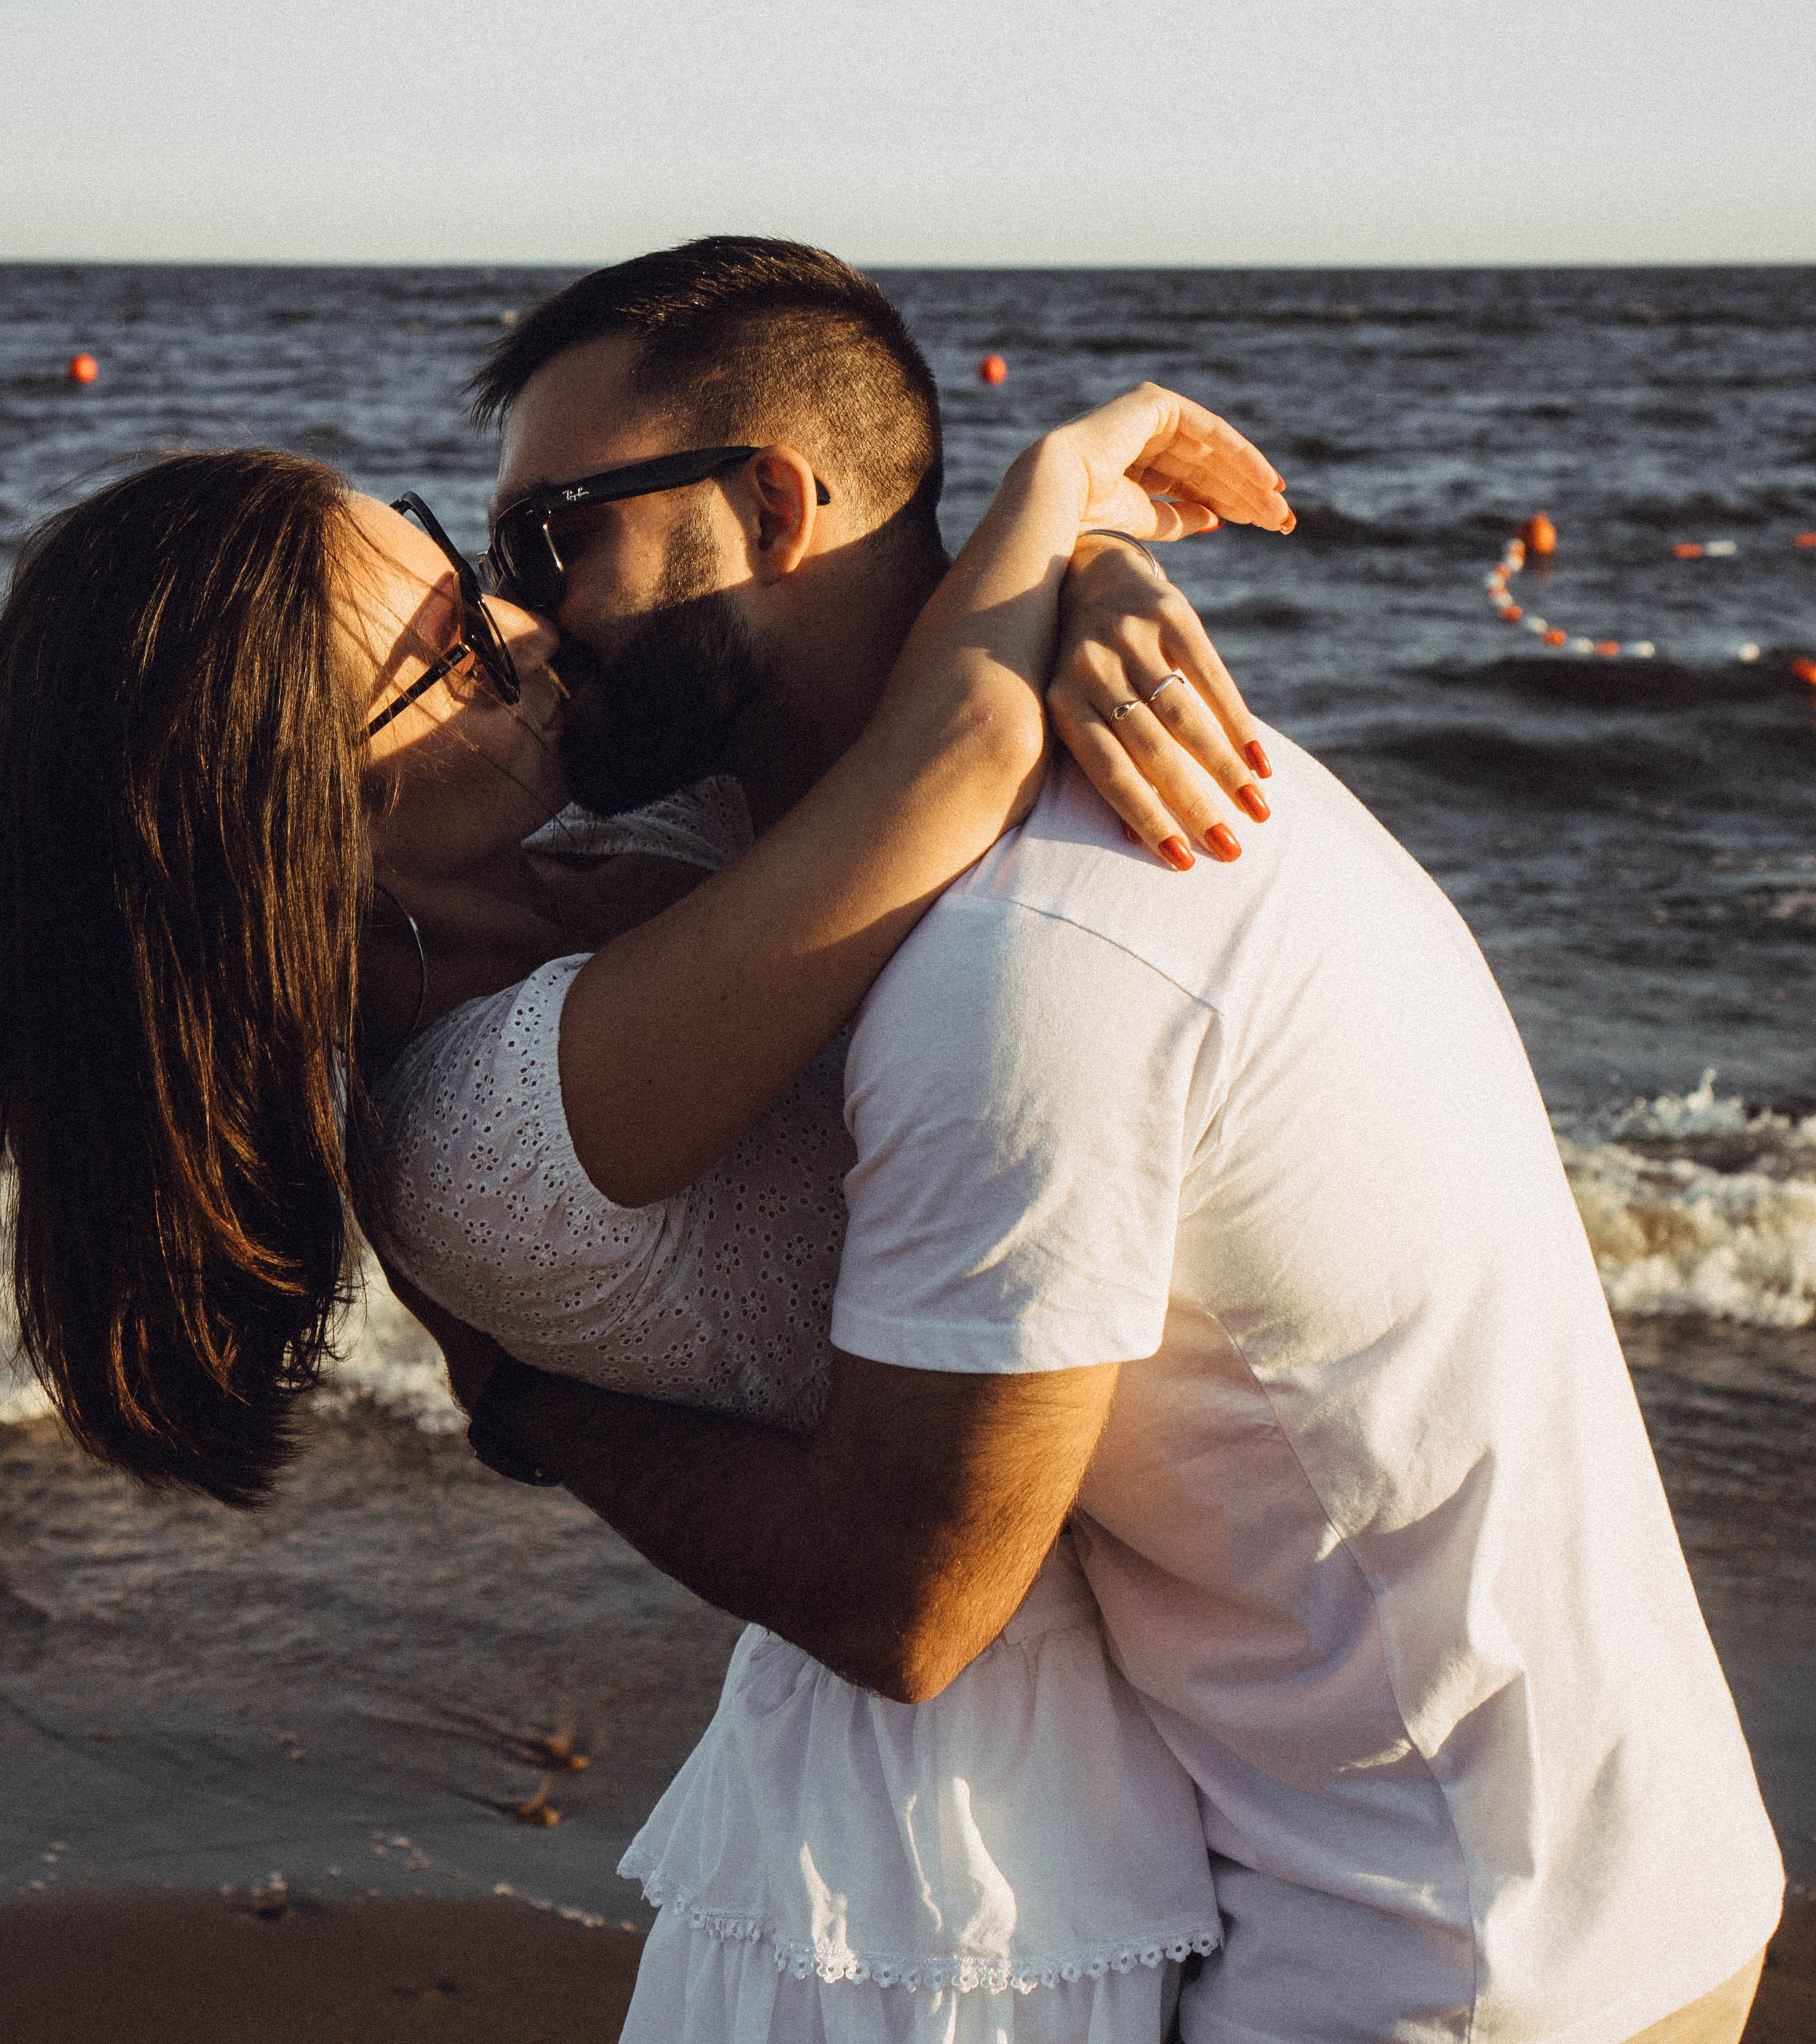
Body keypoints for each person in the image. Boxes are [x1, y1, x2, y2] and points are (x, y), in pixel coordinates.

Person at [429, 238, 1783, 2044]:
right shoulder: (959, 827)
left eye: (553, 541)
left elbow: (904, 1597)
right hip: (1567, 1858)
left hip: (1445, 1956)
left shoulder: (1027, 960)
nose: (522, 620)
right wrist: (1065, 556)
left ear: (765, 504)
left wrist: (532, 1403)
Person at [0, 311, 1286, 2036]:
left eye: (480, 572)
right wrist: (1060, 488)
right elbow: (952, 758)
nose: (528, 629)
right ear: (299, 814)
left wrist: (1102, 592)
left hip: (1077, 1721)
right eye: (456, 641)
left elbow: (859, 692)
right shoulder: (480, 1121)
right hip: (945, 1850)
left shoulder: (601, 854)